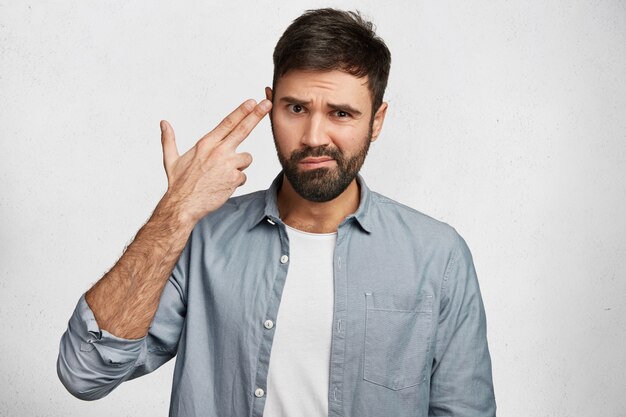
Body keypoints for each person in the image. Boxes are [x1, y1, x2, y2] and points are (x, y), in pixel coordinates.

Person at [57, 8, 496, 417]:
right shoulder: (202, 238)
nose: (313, 136)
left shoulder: (439, 257)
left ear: (376, 121)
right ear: (270, 105)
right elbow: (85, 373)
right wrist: (175, 212)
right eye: (296, 108)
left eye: (341, 113)